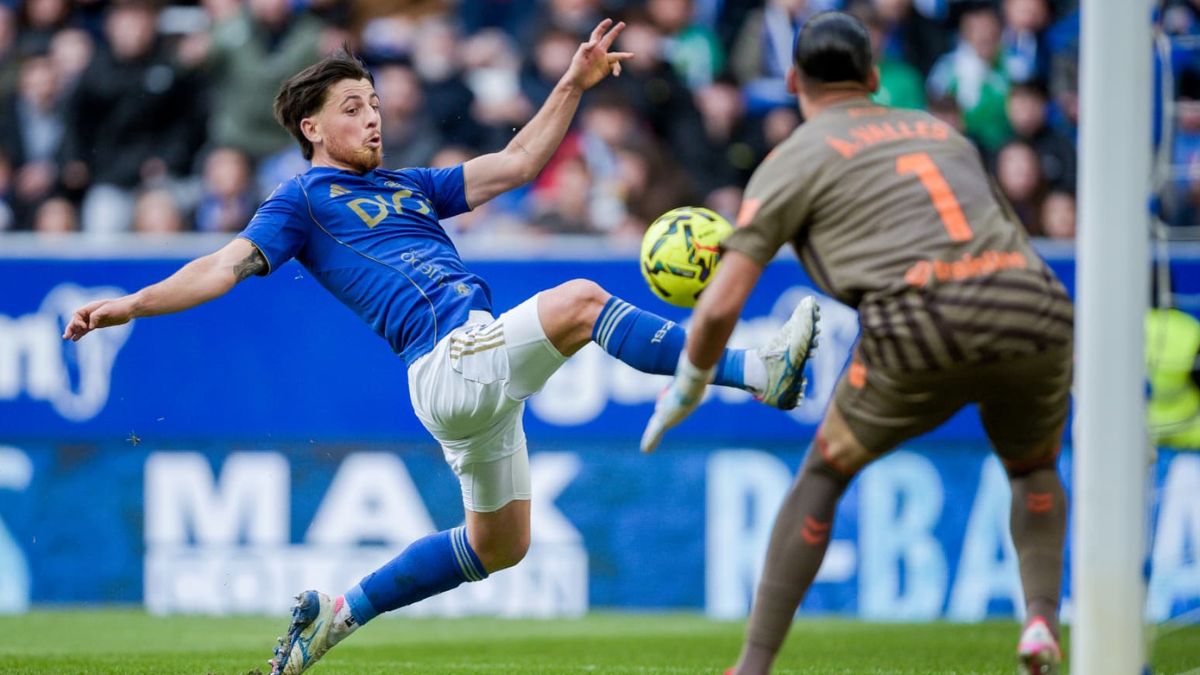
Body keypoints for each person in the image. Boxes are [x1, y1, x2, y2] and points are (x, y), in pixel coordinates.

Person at [61, 19, 819, 675]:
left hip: (461, 376)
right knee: (584, 301)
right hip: (450, 358)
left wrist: (573, 83)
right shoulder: (299, 202)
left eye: (375, 105)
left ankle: (339, 612)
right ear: (311, 130)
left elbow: (520, 164)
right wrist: (129, 303)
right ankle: (760, 370)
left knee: (503, 543)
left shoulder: (410, 185)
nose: (372, 119)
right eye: (351, 109)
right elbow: (220, 267)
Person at [641, 12, 1073, 675]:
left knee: (824, 471)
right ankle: (1041, 619)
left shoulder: (796, 157)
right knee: (1033, 468)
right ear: (874, 78)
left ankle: (752, 666)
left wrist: (689, 385)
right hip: (1032, 302)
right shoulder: (943, 132)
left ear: (792, 79)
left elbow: (722, 299)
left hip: (925, 314)